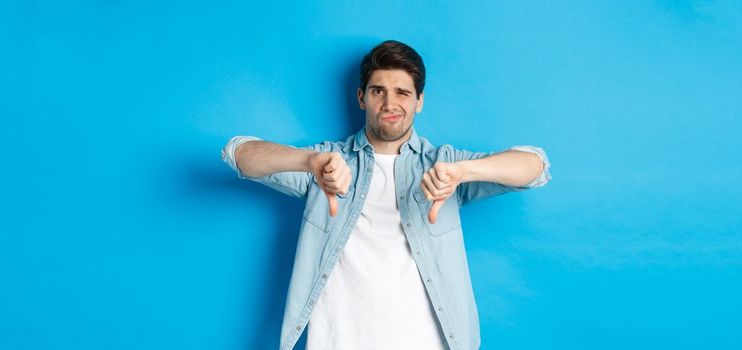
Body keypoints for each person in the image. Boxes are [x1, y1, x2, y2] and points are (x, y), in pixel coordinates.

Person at [221, 40, 551, 350]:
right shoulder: (327, 163)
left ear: (419, 101)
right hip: (338, 340)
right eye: (379, 90)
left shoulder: (445, 164)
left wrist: (464, 172)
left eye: (402, 93)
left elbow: (535, 165)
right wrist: (308, 162)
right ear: (362, 97)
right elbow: (240, 153)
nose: (390, 103)